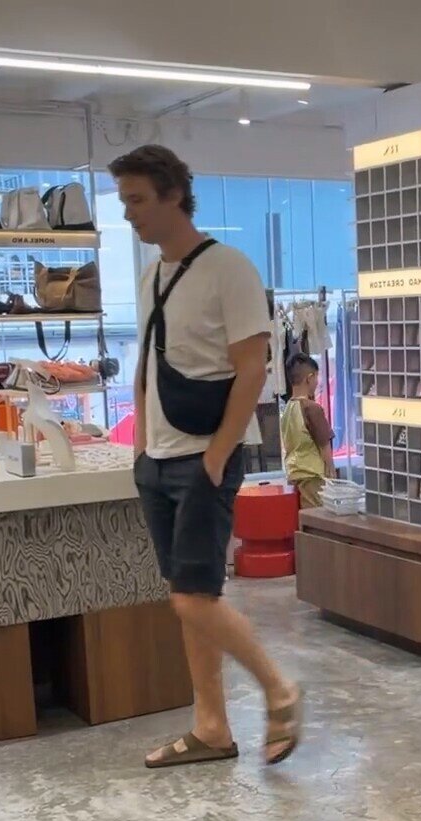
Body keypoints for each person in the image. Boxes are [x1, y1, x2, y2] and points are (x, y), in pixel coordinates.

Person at [112, 144, 304, 767]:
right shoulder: (151, 276)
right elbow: (147, 364)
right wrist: (142, 444)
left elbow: (253, 369)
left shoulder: (229, 269)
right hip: (159, 459)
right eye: (124, 201)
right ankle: (212, 727)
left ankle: (279, 690)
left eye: (137, 200)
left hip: (203, 458)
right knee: (190, 598)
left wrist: (218, 457)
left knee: (192, 598)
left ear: (173, 195)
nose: (129, 213)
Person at [279, 353, 334, 508]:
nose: (318, 382)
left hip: (294, 473)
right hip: (312, 474)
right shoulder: (312, 408)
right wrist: (331, 472)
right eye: (317, 377)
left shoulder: (288, 409)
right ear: (309, 378)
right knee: (315, 516)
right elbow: (324, 444)